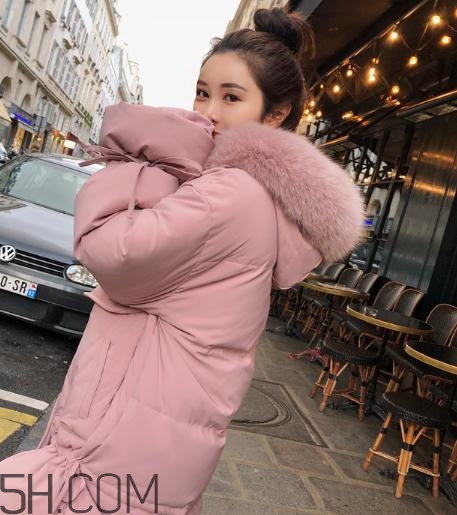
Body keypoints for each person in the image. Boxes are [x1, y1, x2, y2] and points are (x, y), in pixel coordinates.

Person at [0, 7, 364, 515]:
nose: (209, 111)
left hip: (126, 422)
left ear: (275, 114)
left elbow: (111, 251)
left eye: (231, 97)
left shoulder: (229, 191)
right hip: (163, 420)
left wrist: (135, 159)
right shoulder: (255, 194)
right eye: (201, 92)